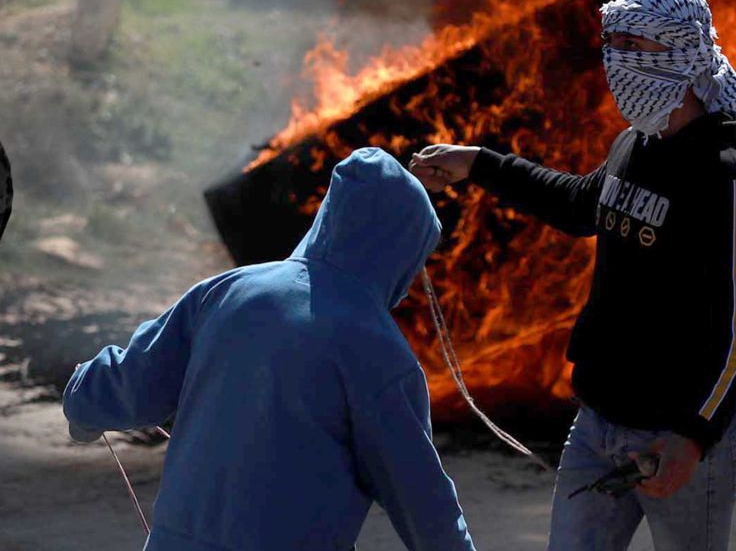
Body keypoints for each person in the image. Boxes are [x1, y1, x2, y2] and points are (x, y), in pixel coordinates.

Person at [410, 0, 736, 551]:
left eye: (635, 45)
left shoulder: (722, 174)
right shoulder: (634, 145)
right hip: (599, 423)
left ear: (681, 52)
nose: (617, 60)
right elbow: (581, 206)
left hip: (675, 436)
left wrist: (692, 436)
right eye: (612, 43)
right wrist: (480, 164)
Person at [62, 147, 476, 551]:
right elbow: (423, 502)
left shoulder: (227, 290)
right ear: (403, 252)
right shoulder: (380, 350)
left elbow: (130, 384)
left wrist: (82, 404)